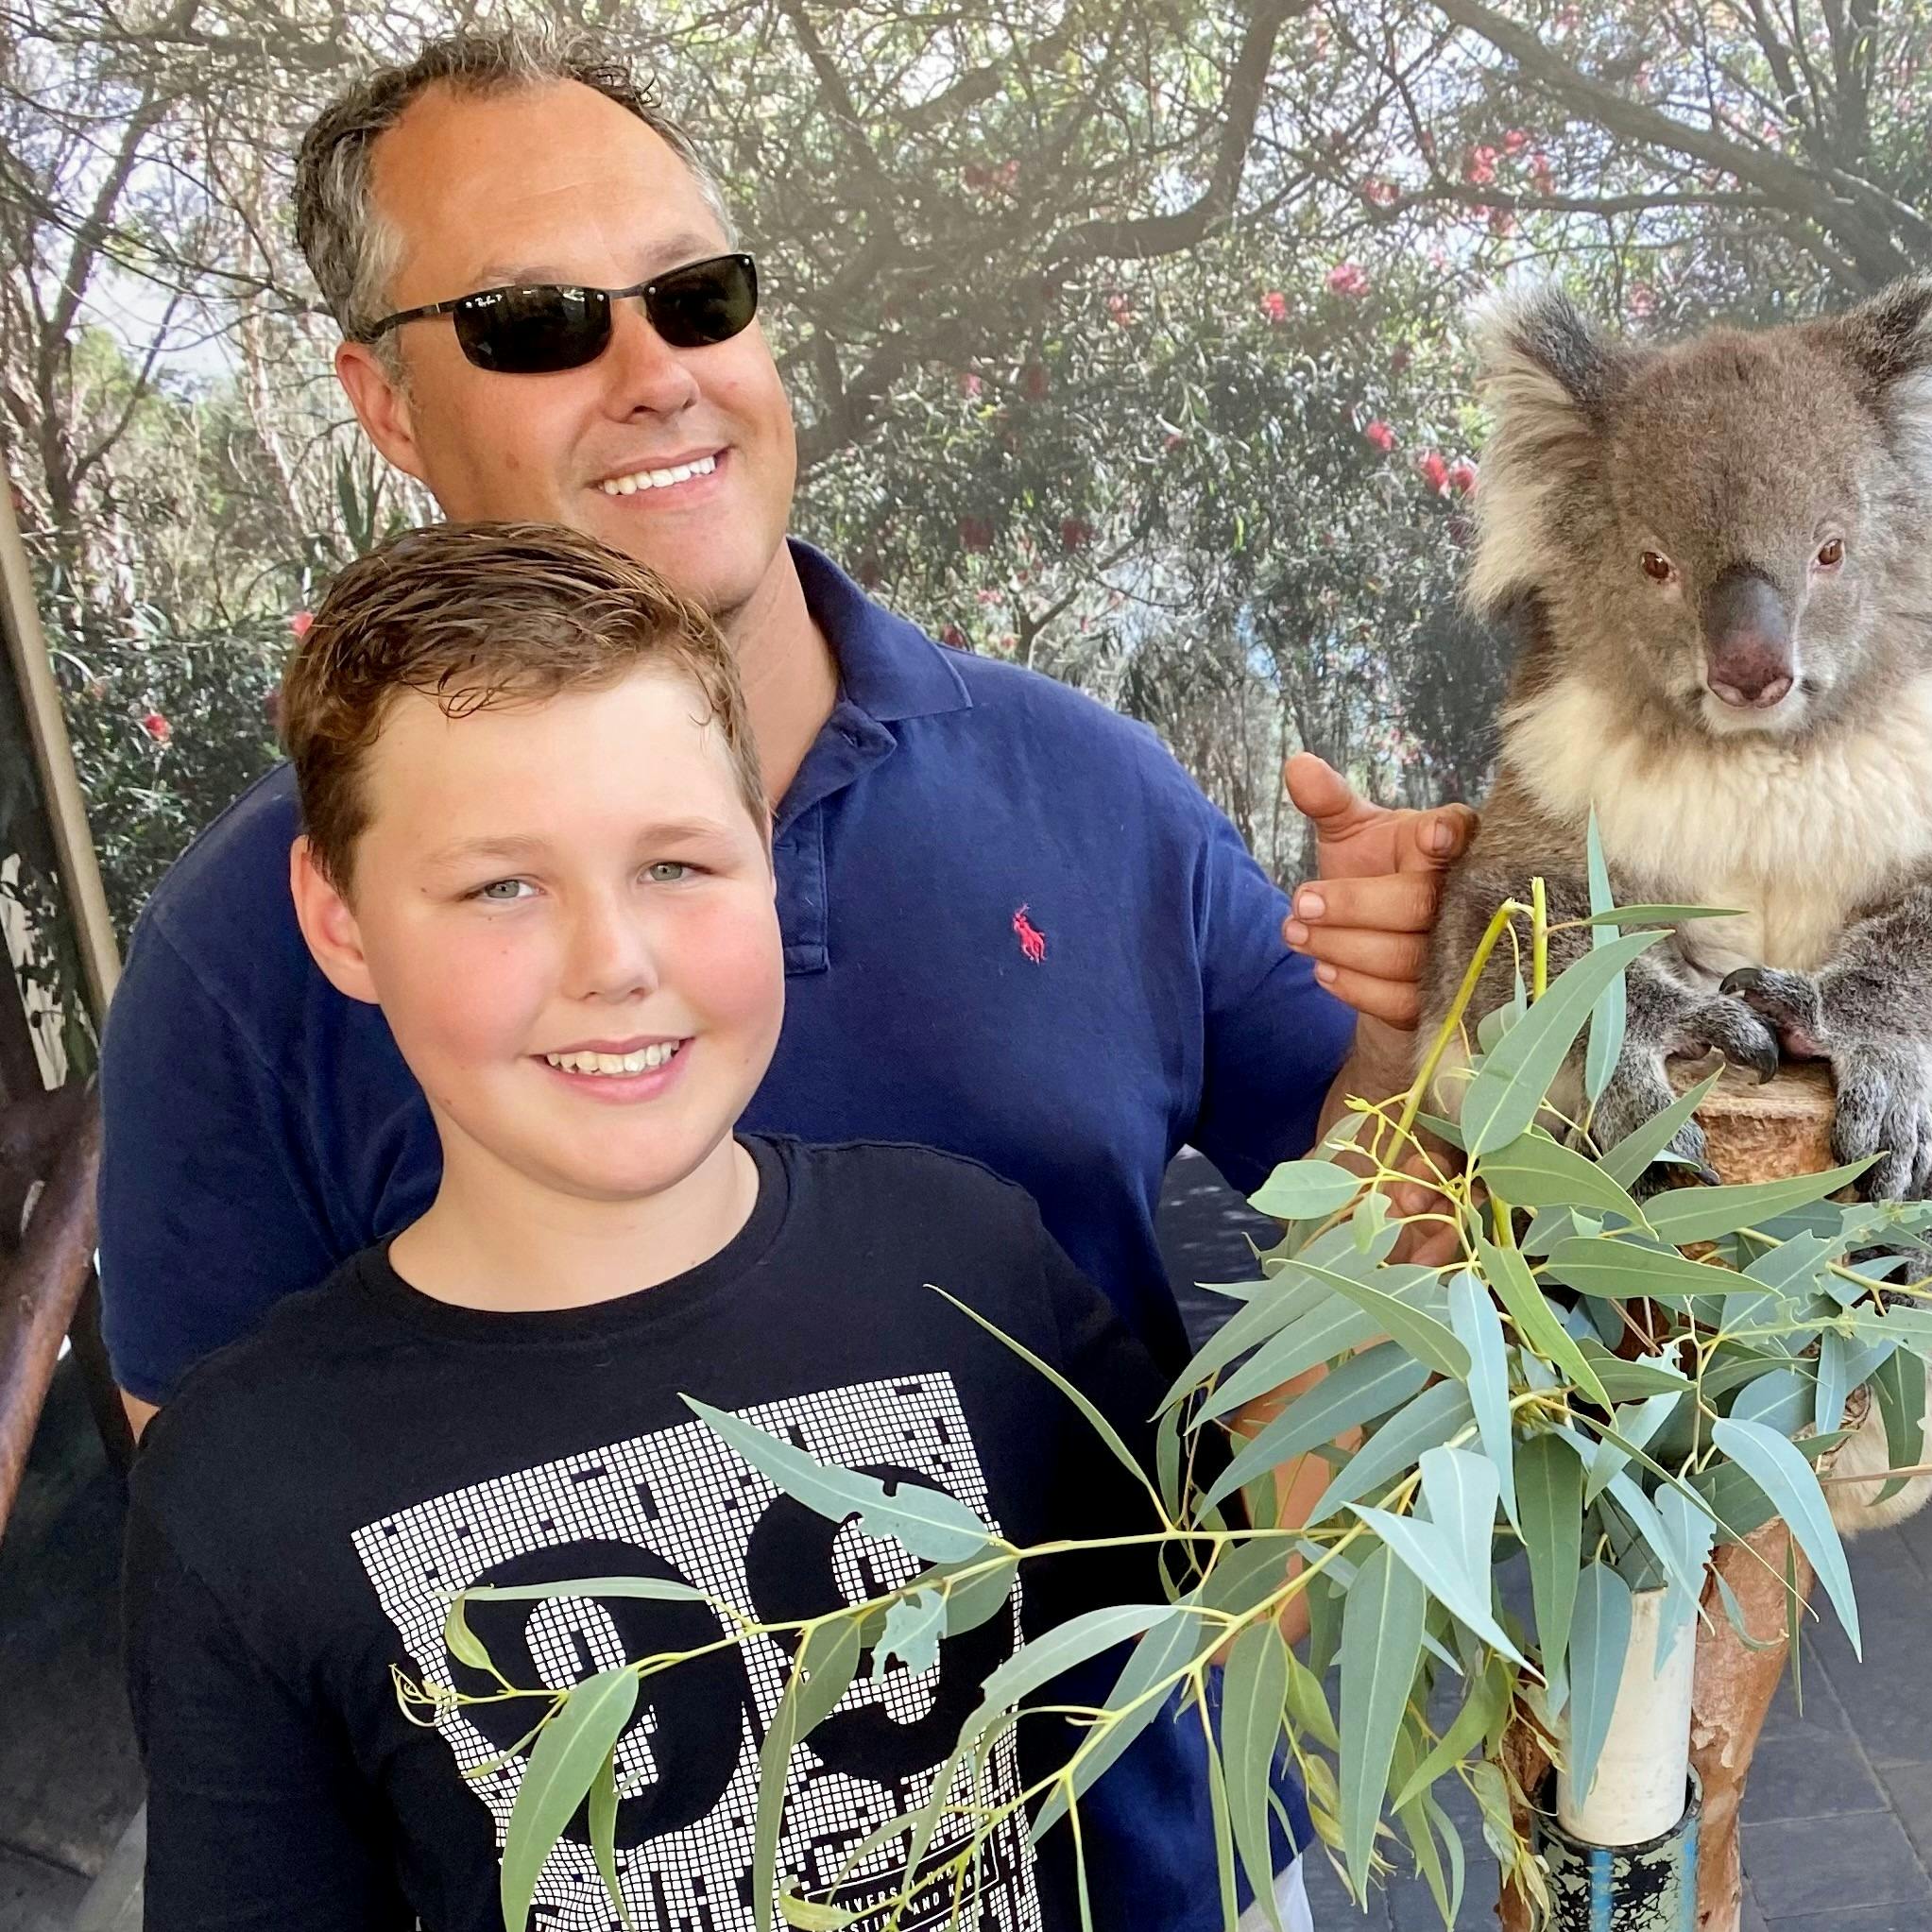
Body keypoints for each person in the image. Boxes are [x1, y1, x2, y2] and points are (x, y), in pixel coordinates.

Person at [94, 29, 1448, 1924]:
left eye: (696, 295)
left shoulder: (1091, 795)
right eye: (539, 320)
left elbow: (1371, 1222)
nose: (653, 373)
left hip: (1152, 1864)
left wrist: (1434, 1011)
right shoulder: (249, 952)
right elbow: (240, 1566)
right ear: (385, 401)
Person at [127, 523, 1218, 1930]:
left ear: (763, 855)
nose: (614, 963)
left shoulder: (973, 1266)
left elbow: (1230, 1611)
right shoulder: (243, 1491)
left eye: (677, 865)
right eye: (500, 886)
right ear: (338, 921)